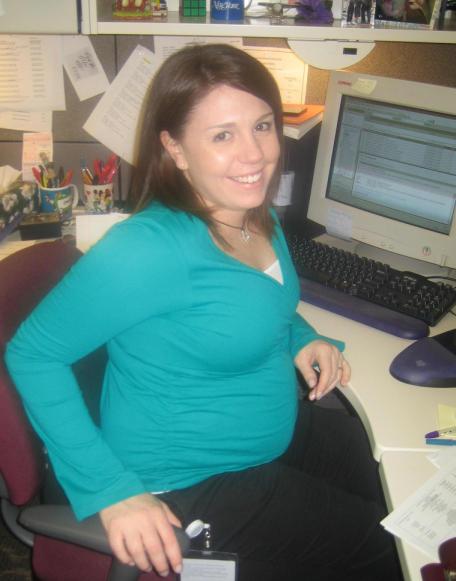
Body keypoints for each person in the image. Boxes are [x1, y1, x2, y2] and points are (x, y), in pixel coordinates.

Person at [6, 44, 402, 581]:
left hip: (261, 431)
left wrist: (301, 337)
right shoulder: (146, 250)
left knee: (391, 480)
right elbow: (32, 355)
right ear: (176, 148)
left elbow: (257, 303)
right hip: (186, 479)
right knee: (385, 550)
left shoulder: (253, 213)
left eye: (262, 126)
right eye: (222, 135)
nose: (254, 154)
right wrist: (110, 491)